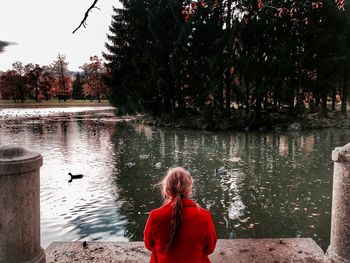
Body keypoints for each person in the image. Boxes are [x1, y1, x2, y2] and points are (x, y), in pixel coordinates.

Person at [144, 167, 217, 263]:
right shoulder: (204, 216)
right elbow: (209, 249)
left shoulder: (155, 216)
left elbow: (149, 245)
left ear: (166, 189)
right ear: (189, 189)